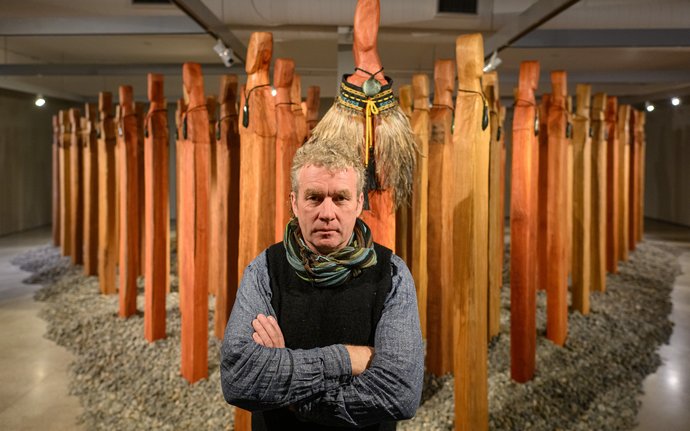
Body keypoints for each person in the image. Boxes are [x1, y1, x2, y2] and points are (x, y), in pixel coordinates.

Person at [220, 137, 424, 430]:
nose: (327, 213)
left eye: (340, 198)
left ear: (359, 203)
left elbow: (399, 394)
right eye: (314, 197)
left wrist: (291, 395)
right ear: (294, 202)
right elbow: (239, 379)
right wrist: (347, 359)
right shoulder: (264, 270)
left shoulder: (391, 274)